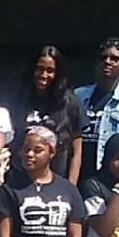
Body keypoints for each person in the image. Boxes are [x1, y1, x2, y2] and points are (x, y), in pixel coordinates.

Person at [71, 38, 119, 173]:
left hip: (108, 175)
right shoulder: (78, 95)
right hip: (78, 171)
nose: (107, 62)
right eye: (103, 58)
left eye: (114, 59)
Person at [13, 45, 85, 185]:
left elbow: (77, 153)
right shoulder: (22, 99)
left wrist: (71, 187)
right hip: (21, 181)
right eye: (40, 69)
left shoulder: (70, 103)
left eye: (50, 71)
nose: (44, 75)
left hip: (56, 181)